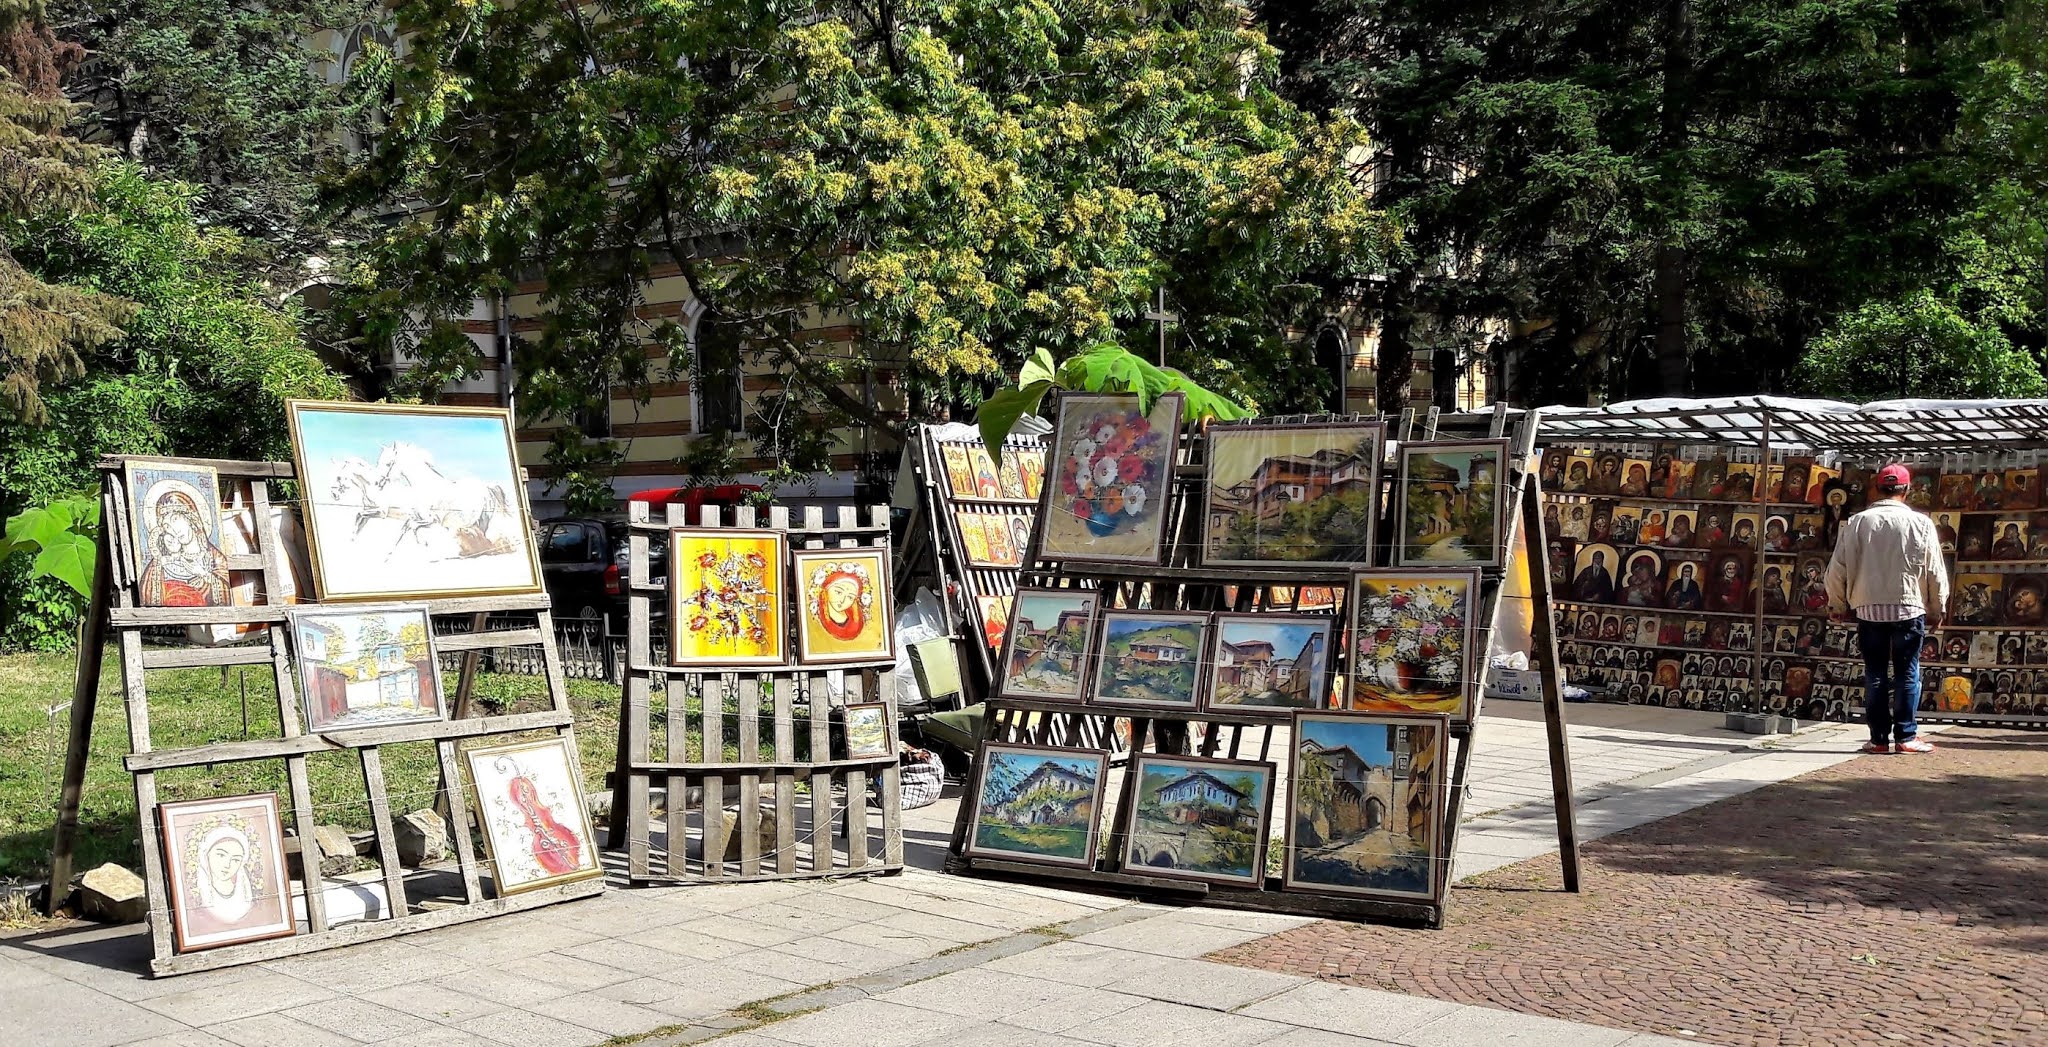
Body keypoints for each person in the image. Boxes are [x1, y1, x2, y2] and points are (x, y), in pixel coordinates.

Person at [1825, 463, 1950, 755]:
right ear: (1907, 490)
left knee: (1875, 673)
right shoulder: (1921, 523)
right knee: (1908, 672)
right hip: (1909, 607)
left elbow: (1837, 568)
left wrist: (1837, 603)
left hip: (1868, 608)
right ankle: (1906, 737)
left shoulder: (1857, 522)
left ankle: (1879, 739)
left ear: (1877, 488)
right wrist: (1937, 607)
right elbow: (1934, 570)